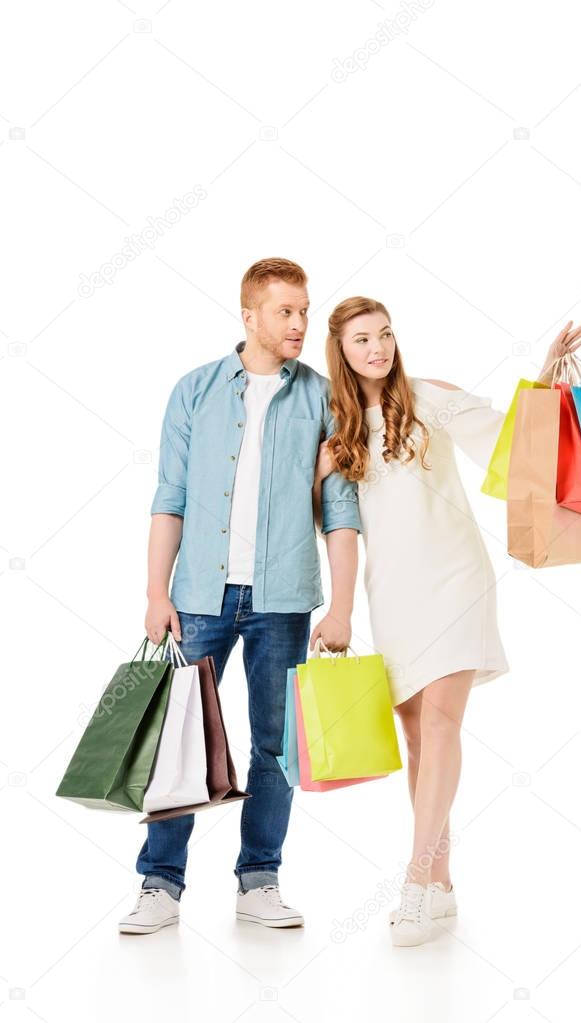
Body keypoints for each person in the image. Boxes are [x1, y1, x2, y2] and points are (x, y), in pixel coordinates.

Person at [313, 297, 581, 947]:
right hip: (394, 594)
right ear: (341, 352)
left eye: (383, 334)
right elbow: (322, 515)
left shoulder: (429, 397)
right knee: (416, 738)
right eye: (361, 340)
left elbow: (513, 442)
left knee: (440, 722)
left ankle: (411, 882)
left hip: (455, 580)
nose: (376, 347)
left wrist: (544, 377)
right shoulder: (341, 430)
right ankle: (441, 884)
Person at [119, 258, 361, 935]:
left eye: (305, 311)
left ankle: (259, 878)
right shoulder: (195, 390)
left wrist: (341, 606)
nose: (299, 324)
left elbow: (340, 511)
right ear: (249, 315)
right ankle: (159, 884)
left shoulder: (320, 397)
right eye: (285, 311)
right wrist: (153, 591)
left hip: (284, 598)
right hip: (197, 594)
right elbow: (169, 498)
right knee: (178, 740)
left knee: (275, 744)